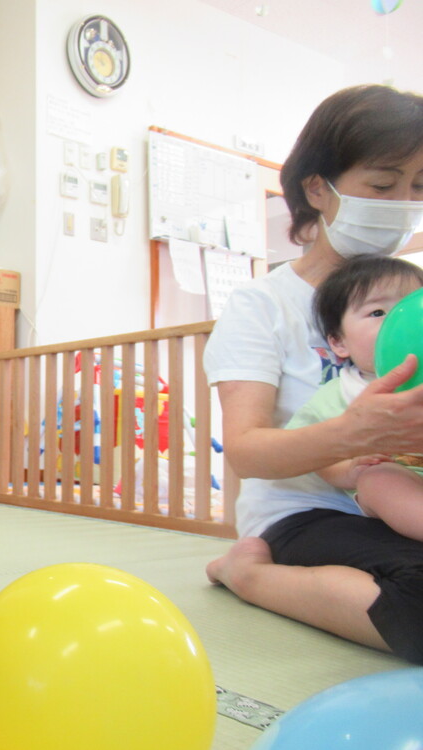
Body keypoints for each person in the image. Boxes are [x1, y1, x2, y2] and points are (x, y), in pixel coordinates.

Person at [203, 84, 423, 664]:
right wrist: (358, 434)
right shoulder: (262, 304)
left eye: (419, 186)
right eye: (383, 184)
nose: (404, 201)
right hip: (304, 513)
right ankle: (250, 575)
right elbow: (246, 452)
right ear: (317, 189)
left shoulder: (416, 299)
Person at [287, 255, 423, 541]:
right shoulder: (339, 394)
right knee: (377, 478)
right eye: (378, 312)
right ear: (339, 342)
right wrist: (348, 471)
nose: (403, 322)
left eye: (413, 308)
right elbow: (312, 454)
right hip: (398, 489)